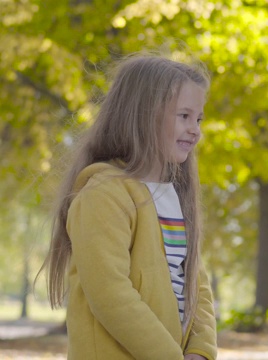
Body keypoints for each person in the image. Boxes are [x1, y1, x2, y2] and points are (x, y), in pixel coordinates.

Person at [39, 54, 217, 359]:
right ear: (143, 115)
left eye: (198, 119)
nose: (195, 129)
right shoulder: (104, 195)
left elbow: (196, 285)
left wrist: (200, 350)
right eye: (184, 116)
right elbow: (111, 295)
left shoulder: (174, 195)